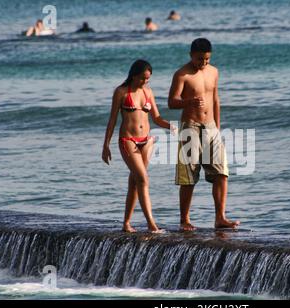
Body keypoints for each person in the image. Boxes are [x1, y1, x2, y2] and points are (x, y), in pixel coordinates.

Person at [168, 38, 240, 231]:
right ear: (191, 55)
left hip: (211, 127)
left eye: (207, 59)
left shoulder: (214, 72)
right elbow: (172, 102)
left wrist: (217, 126)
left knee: (221, 173)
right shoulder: (182, 74)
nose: (203, 63)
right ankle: (184, 220)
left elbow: (215, 99)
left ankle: (220, 218)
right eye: (200, 59)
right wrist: (188, 102)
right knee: (188, 177)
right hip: (190, 126)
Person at [102, 59, 175, 233]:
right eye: (142, 78)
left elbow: (156, 118)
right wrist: (106, 145)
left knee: (135, 182)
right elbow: (112, 120)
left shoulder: (148, 92)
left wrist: (170, 125)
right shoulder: (121, 92)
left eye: (148, 79)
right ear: (134, 76)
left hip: (147, 141)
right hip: (128, 141)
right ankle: (151, 224)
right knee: (143, 179)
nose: (145, 82)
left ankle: (126, 223)